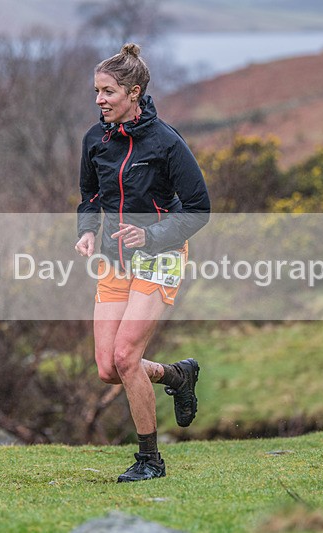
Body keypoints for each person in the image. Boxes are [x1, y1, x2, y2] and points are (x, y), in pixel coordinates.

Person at [75, 43, 211, 482]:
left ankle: (150, 460)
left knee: (127, 356)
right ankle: (176, 375)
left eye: (108, 91)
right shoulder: (95, 140)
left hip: (161, 255)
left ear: (134, 93)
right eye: (97, 91)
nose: (99, 100)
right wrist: (85, 231)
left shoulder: (166, 143)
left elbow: (198, 208)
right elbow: (90, 196)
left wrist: (150, 236)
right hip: (114, 259)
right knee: (107, 368)